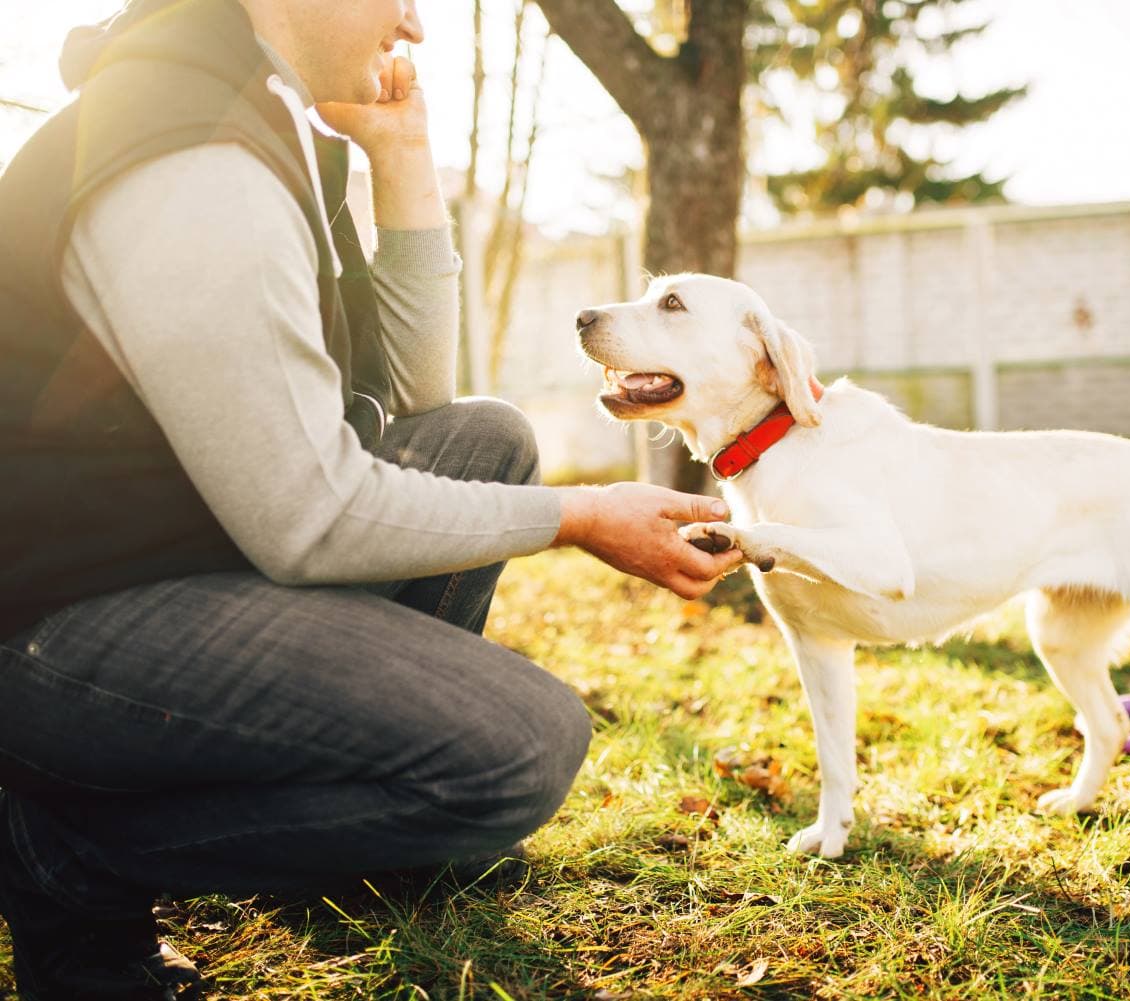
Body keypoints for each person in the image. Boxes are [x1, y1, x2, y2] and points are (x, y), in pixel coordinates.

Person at [0, 0, 743, 997]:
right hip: (53, 628)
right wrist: (582, 516)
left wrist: (403, 160)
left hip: (176, 554)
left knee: (486, 439)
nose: (414, 24)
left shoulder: (255, 113)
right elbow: (309, 515)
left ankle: (343, 850)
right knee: (521, 747)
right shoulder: (192, 153)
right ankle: (65, 860)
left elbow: (421, 404)